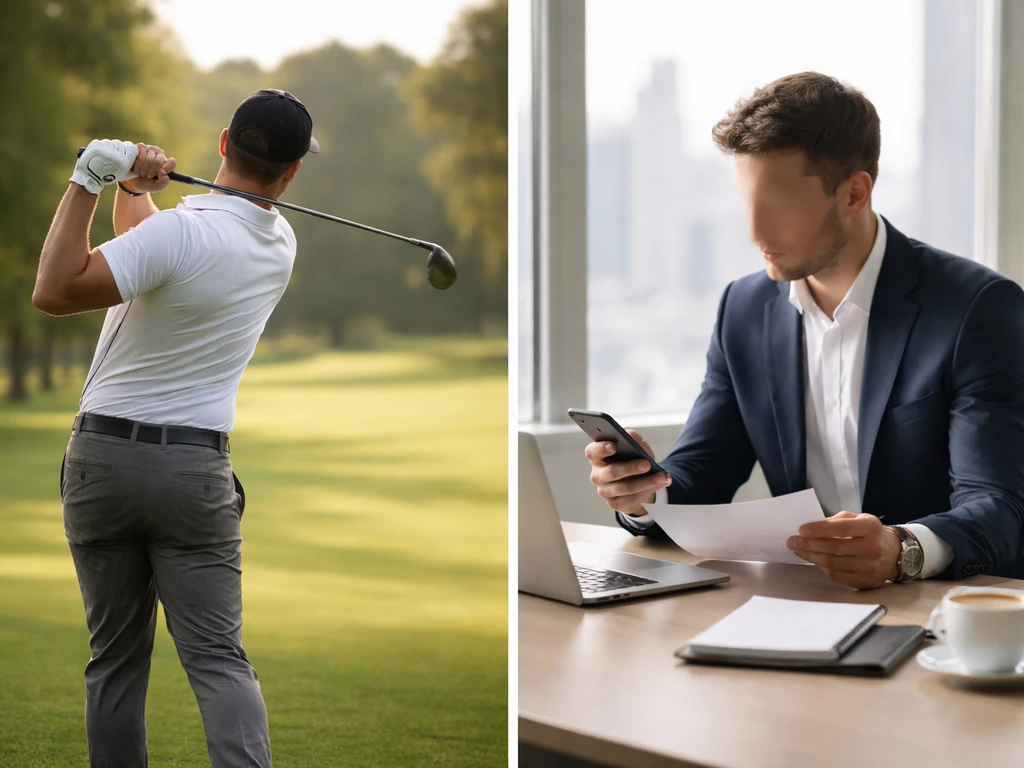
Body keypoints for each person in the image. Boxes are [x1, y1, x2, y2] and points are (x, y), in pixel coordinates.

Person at [585, 72, 1024, 589]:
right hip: (803, 602)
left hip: (946, 609)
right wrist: (644, 494)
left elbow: (997, 506)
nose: (754, 233)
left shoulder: (979, 308)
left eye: (778, 207)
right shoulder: (744, 309)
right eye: (747, 204)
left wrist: (902, 548)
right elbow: (705, 467)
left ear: (855, 193)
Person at [32, 89, 320, 768]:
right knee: (220, 660)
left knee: (115, 661)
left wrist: (88, 181)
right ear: (292, 172)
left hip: (103, 461)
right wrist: (134, 187)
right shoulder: (279, 242)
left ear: (224, 142)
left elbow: (54, 289)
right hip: (195, 474)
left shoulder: (178, 233)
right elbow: (153, 253)